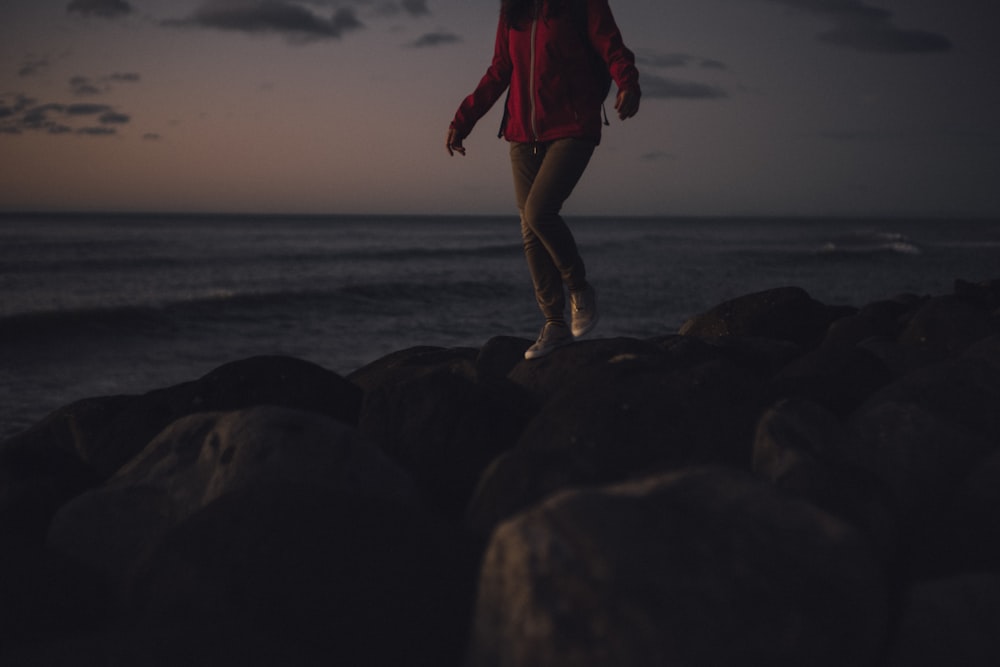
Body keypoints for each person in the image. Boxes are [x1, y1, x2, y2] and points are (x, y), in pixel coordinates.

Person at [446, 0, 640, 360]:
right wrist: (464, 119)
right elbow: (501, 68)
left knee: (539, 213)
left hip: (573, 126)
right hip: (522, 135)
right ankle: (555, 324)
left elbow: (611, 45)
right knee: (529, 228)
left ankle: (579, 288)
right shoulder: (513, 10)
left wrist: (627, 82)